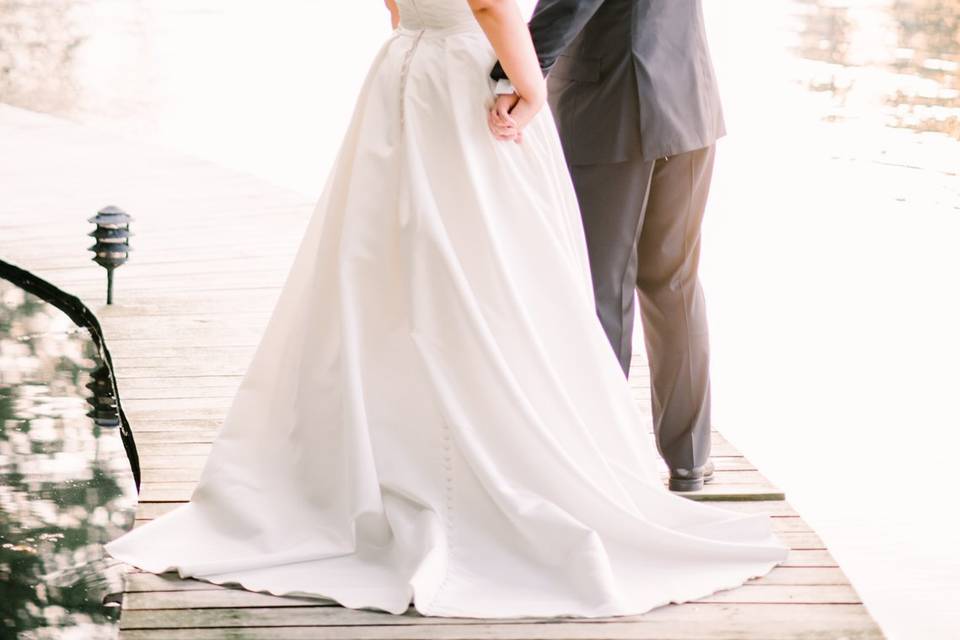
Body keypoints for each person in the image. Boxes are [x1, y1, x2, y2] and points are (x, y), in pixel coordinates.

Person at [104, 0, 787, 619]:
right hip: (680, 94)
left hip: (469, 75)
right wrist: (521, 71)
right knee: (655, 283)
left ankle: (600, 456)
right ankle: (670, 460)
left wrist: (522, 73)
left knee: (513, 273)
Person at [490, 0, 723, 492]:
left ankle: (608, 461)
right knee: (674, 282)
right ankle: (689, 461)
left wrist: (509, 78)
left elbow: (571, 5)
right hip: (689, 98)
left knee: (601, 282)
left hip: (611, 106)